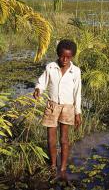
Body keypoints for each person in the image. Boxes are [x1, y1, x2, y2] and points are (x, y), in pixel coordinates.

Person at [33, 39, 82, 180]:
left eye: (68, 57)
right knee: (51, 138)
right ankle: (53, 165)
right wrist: (38, 89)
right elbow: (42, 82)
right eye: (62, 56)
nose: (65, 59)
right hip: (52, 105)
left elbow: (77, 93)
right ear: (58, 54)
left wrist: (78, 113)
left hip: (68, 107)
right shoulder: (50, 67)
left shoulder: (75, 71)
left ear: (72, 56)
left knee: (64, 139)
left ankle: (63, 167)